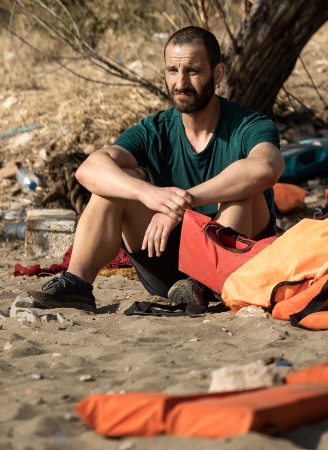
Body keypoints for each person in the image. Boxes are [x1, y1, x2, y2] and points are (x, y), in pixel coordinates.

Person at [27, 26, 284, 311]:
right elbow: (88, 169)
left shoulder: (249, 124)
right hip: (169, 265)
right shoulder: (155, 128)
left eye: (193, 71)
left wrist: (183, 201)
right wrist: (149, 194)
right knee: (114, 185)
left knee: (242, 192)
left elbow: (266, 167)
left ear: (218, 74)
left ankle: (204, 283)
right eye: (172, 70)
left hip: (235, 263)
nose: (180, 83)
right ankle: (77, 284)